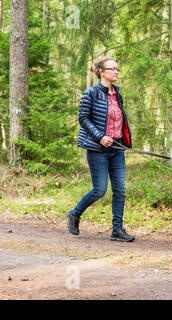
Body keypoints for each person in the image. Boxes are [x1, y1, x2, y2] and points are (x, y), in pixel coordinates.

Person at [67, 56, 134, 242]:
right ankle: (74, 213)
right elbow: (83, 119)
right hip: (98, 149)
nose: (117, 72)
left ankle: (117, 230)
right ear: (101, 72)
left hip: (117, 148)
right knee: (100, 190)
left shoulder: (117, 94)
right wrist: (100, 137)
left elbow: (119, 120)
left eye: (117, 69)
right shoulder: (91, 93)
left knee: (120, 189)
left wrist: (124, 141)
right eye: (112, 69)